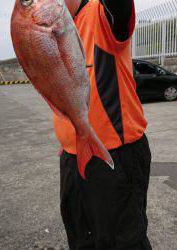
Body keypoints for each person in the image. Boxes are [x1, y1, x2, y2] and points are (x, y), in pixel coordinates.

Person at [54, 0, 152, 249]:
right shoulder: (54, 27)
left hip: (115, 156)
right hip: (72, 157)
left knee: (122, 242)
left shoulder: (102, 13)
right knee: (80, 239)